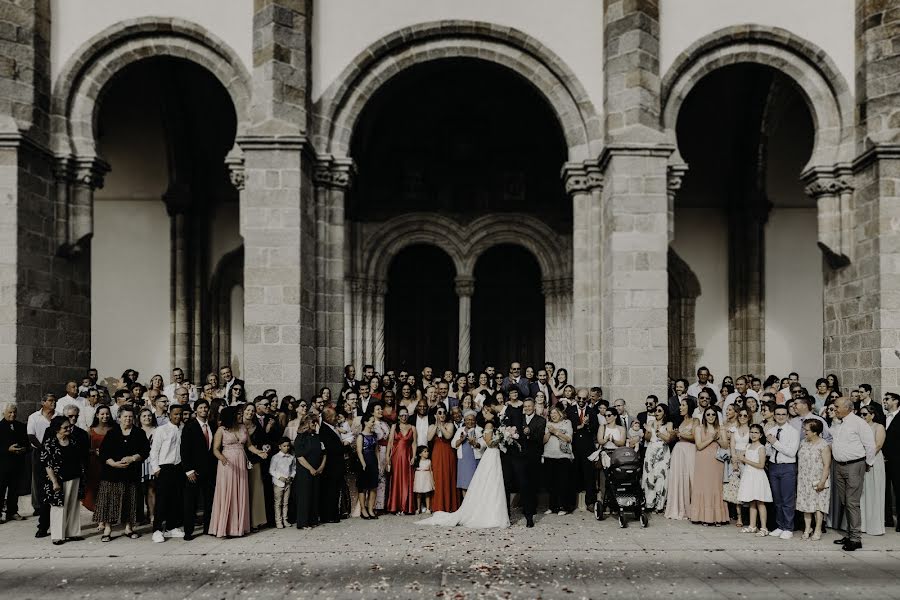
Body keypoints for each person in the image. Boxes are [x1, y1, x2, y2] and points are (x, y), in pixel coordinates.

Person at [417, 421, 510, 529]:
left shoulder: (483, 428)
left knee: (493, 483)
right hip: (488, 455)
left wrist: (500, 438)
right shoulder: (486, 426)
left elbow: (483, 444)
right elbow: (487, 443)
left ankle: (494, 511)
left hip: (491, 456)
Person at [94, 405, 149, 541]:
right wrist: (112, 463)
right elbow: (103, 452)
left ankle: (129, 528)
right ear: (119, 418)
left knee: (131, 500)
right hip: (111, 473)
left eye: (130, 416)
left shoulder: (139, 433)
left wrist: (133, 458)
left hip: (131, 474)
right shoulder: (112, 433)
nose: (128, 419)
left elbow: (145, 451)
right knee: (109, 502)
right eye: (125, 416)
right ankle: (107, 529)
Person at [831, 397, 876, 551]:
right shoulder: (838, 422)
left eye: (837, 406)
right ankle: (850, 534)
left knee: (852, 503)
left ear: (847, 408)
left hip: (854, 465)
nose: (834, 409)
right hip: (839, 466)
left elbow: (870, 445)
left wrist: (868, 464)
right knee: (845, 501)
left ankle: (856, 539)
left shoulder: (858, 423)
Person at [40, 415, 85, 545]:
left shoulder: (73, 440)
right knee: (58, 506)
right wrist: (54, 482)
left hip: (74, 476)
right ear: (57, 429)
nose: (68, 429)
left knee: (73, 505)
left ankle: (73, 533)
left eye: (69, 427)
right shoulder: (50, 443)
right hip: (58, 480)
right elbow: (47, 464)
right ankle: (58, 536)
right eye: (65, 427)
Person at [208, 406, 252, 538]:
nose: (241, 416)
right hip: (227, 464)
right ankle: (224, 528)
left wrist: (259, 453)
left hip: (241, 462)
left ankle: (238, 527)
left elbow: (249, 445)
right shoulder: (221, 430)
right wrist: (222, 458)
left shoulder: (243, 427)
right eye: (238, 414)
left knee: (240, 492)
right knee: (228, 492)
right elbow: (215, 449)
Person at [180, 399, 217, 540]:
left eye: (206, 407)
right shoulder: (190, 427)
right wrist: (188, 470)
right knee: (191, 502)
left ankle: (208, 528)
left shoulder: (212, 426)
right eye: (201, 408)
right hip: (194, 471)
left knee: (209, 501)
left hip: (210, 470)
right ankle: (188, 531)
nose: (204, 410)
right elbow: (184, 450)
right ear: (195, 410)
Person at [149, 404, 186, 543]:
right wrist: (156, 468)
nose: (178, 417)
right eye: (175, 414)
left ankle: (171, 527)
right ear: (170, 414)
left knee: (175, 499)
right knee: (162, 500)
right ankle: (157, 530)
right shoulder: (161, 430)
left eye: (180, 414)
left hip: (178, 468)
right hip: (164, 467)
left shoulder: (183, 429)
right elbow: (154, 451)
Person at [765, 405, 800, 539]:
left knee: (787, 499)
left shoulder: (793, 431)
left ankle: (788, 528)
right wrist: (769, 444)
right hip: (773, 466)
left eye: (783, 414)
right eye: (778, 414)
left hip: (787, 467)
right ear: (774, 415)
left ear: (787, 416)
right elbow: (769, 452)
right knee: (777, 499)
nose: (780, 416)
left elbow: (791, 452)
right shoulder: (772, 430)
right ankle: (780, 526)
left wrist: (775, 443)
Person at [690, 407, 729, 525]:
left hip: (717, 461)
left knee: (715, 487)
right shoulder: (698, 428)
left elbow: (725, 445)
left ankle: (717, 517)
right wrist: (711, 438)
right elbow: (699, 446)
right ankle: (702, 516)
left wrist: (718, 439)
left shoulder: (721, 428)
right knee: (703, 486)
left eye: (713, 414)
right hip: (702, 460)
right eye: (708, 414)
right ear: (704, 416)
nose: (711, 416)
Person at [796, 419, 831, 541]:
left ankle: (817, 529)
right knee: (806, 505)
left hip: (817, 479)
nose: (804, 431)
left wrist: (822, 481)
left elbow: (827, 465)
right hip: (804, 479)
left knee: (818, 506)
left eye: (807, 430)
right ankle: (807, 529)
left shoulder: (823, 445)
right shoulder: (803, 443)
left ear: (815, 432)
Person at [28, 393, 57, 536]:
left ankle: (58, 525)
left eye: (54, 401)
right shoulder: (34, 417)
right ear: (43, 402)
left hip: (57, 455)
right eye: (50, 401)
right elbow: (31, 436)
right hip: (39, 454)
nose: (53, 403)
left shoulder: (58, 416)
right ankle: (43, 526)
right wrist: (43, 449)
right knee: (42, 489)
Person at [736, 424, 772, 536]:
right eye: (751, 432)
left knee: (760, 501)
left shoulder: (761, 448)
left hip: (757, 476)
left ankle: (764, 528)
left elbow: (761, 465)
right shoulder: (747, 446)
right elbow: (743, 460)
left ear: (761, 435)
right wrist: (741, 459)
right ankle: (752, 526)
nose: (753, 434)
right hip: (748, 475)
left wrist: (745, 460)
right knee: (752, 501)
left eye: (756, 432)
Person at [566, 388, 599, 510]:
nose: (581, 401)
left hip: (587, 447)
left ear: (588, 399)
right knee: (572, 474)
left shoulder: (592, 412)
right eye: (579, 398)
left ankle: (590, 502)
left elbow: (595, 429)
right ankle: (569, 504)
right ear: (576, 398)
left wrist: (589, 424)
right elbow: (567, 427)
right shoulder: (570, 411)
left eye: (583, 399)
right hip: (573, 446)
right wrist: (580, 426)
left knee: (589, 475)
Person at [665, 397, 697, 521]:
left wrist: (680, 434)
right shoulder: (680, 421)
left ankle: (693, 508)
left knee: (691, 477)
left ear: (689, 407)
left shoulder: (695, 420)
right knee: (678, 478)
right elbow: (675, 437)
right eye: (680, 405)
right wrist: (674, 435)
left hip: (689, 450)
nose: (680, 407)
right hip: (678, 450)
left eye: (683, 405)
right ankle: (679, 507)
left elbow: (694, 436)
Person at [241, 403, 269, 531]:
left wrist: (264, 449)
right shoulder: (237, 425)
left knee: (255, 490)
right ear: (243, 411)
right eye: (248, 410)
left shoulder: (257, 426)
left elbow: (264, 442)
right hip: (239, 460)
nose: (250, 412)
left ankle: (255, 521)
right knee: (242, 491)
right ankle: (243, 521)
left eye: (252, 411)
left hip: (255, 460)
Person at [543, 405, 575, 515]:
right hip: (549, 456)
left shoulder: (567, 423)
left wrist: (556, 432)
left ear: (560, 414)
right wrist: (549, 432)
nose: (553, 415)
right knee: (551, 483)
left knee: (563, 482)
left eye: (555, 413)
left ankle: (563, 507)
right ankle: (552, 507)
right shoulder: (548, 424)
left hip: (563, 456)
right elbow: (543, 441)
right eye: (551, 414)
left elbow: (568, 438)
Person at [294, 415, 324, 528]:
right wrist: (310, 468)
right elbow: (300, 456)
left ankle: (313, 520)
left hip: (317, 470)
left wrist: (321, 467)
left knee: (314, 494)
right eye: (312, 421)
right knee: (304, 496)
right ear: (306, 423)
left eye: (315, 422)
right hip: (304, 471)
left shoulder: (317, 437)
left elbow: (324, 452)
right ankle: (303, 522)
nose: (314, 424)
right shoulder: (300, 437)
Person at [642, 404, 674, 513]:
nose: (656, 412)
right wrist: (648, 431)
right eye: (656, 410)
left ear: (664, 413)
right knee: (649, 475)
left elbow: (668, 439)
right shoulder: (651, 422)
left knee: (661, 476)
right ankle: (649, 502)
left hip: (663, 451)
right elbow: (646, 438)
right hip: (651, 450)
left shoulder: (669, 424)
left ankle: (660, 504)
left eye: (659, 411)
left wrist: (656, 431)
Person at [860, 406, 886, 536]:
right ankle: (862, 524)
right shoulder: (860, 428)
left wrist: (867, 460)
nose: (862, 417)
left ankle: (874, 526)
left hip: (874, 460)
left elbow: (878, 445)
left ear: (872, 415)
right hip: (861, 460)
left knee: (874, 491)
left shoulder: (878, 427)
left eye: (865, 414)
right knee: (863, 493)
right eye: (861, 414)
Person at [0, 402, 28, 523]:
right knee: (0, 489)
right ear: (4, 413)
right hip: (2, 464)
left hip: (17, 464)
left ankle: (12, 511)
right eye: (10, 412)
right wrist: (7, 449)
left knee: (14, 489)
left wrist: (23, 449)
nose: (13, 414)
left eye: (14, 412)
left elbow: (26, 443)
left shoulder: (21, 426)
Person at [724, 408, 752, 528]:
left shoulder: (751, 429)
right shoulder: (734, 429)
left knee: (749, 488)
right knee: (736, 489)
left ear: (749, 417)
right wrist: (734, 461)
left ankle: (750, 517)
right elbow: (732, 445)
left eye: (745, 415)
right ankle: (739, 517)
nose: (742, 417)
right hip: (736, 460)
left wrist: (746, 458)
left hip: (748, 459)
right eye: (740, 415)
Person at [386, 406, 417, 514]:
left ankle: (406, 507)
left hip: (407, 456)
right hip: (396, 457)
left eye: (406, 415)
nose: (404, 417)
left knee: (406, 480)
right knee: (396, 479)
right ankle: (395, 506)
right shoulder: (394, 426)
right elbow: (390, 443)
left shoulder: (412, 427)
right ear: (398, 417)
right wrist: (387, 458)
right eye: (402, 415)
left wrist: (414, 456)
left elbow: (414, 443)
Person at [428, 406, 458, 513]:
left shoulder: (449, 425)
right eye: (439, 413)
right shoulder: (432, 426)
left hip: (448, 452)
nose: (442, 415)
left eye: (444, 413)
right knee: (438, 477)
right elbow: (429, 438)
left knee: (448, 476)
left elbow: (448, 436)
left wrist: (441, 426)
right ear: (435, 415)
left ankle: (449, 505)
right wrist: (436, 426)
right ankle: (438, 505)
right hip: (437, 452)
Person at [318, 407, 345, 524]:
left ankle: (333, 513)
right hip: (331, 466)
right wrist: (344, 446)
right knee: (330, 491)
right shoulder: (324, 430)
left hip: (336, 465)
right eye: (334, 416)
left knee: (334, 491)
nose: (336, 418)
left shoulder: (331, 428)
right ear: (328, 417)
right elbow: (332, 448)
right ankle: (328, 515)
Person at [452, 410, 482, 499]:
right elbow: (453, 444)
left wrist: (475, 443)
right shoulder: (460, 430)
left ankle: (474, 505)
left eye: (472, 420)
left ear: (475, 421)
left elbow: (483, 445)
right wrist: (461, 439)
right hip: (463, 460)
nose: (470, 422)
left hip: (475, 459)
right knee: (464, 483)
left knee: (475, 483)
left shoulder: (479, 430)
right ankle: (466, 506)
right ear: (464, 421)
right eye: (468, 420)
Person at [356, 413, 379, 519]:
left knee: (373, 487)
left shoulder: (374, 435)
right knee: (363, 487)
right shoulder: (361, 436)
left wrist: (378, 463)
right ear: (365, 422)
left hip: (373, 461)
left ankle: (370, 509)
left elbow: (376, 450)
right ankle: (363, 509)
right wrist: (363, 463)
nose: (373, 423)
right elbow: (359, 451)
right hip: (364, 462)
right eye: (372, 421)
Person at [269, 437, 295, 529]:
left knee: (286, 502)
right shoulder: (275, 457)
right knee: (278, 502)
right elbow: (271, 470)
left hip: (288, 482)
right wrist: (280, 477)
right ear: (280, 446)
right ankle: (278, 521)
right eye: (284, 446)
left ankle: (285, 519)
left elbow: (293, 469)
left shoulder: (291, 457)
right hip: (278, 483)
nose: (287, 447)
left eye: (288, 446)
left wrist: (291, 477)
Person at [883, 392, 900, 532]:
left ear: (896, 401)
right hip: (883, 460)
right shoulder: (883, 418)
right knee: (885, 490)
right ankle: (887, 519)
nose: (884, 401)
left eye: (887, 399)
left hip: (897, 460)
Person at [413, 446, 434, 514]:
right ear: (420, 454)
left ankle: (428, 508)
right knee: (418, 494)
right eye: (425, 451)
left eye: (427, 451)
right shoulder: (417, 461)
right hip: (419, 478)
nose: (427, 453)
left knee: (427, 493)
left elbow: (431, 471)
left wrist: (432, 480)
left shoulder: (429, 461)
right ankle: (418, 508)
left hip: (426, 478)